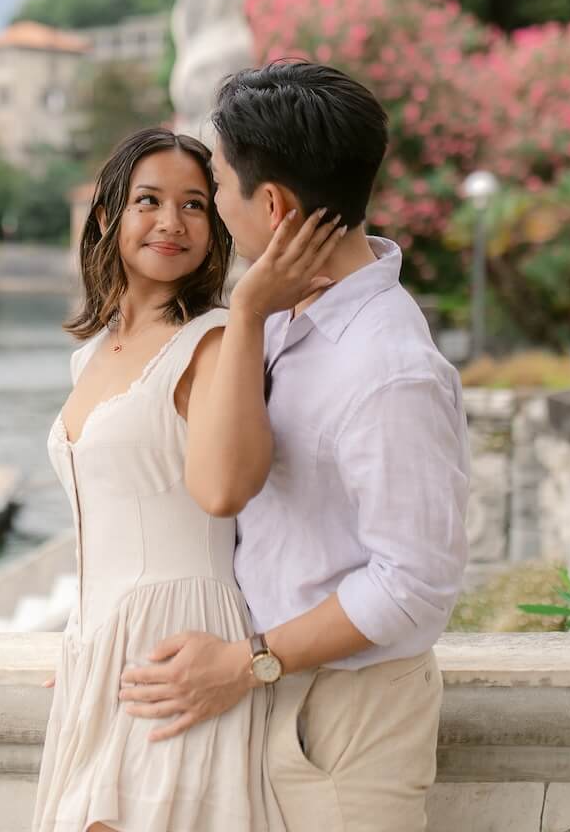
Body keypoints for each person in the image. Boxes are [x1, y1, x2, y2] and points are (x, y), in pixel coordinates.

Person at [118, 63, 471, 830]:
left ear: (270, 204)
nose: (212, 205)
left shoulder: (387, 369)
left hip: (347, 721)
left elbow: (415, 583)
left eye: (217, 187)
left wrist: (247, 664)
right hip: (263, 694)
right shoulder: (276, 315)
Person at [33, 126, 338, 832]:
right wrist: (90, 636)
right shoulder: (93, 356)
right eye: (149, 200)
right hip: (101, 648)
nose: (172, 222)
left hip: (181, 643)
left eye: (196, 205)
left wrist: (255, 311)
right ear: (108, 216)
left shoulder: (216, 341)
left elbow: (227, 490)